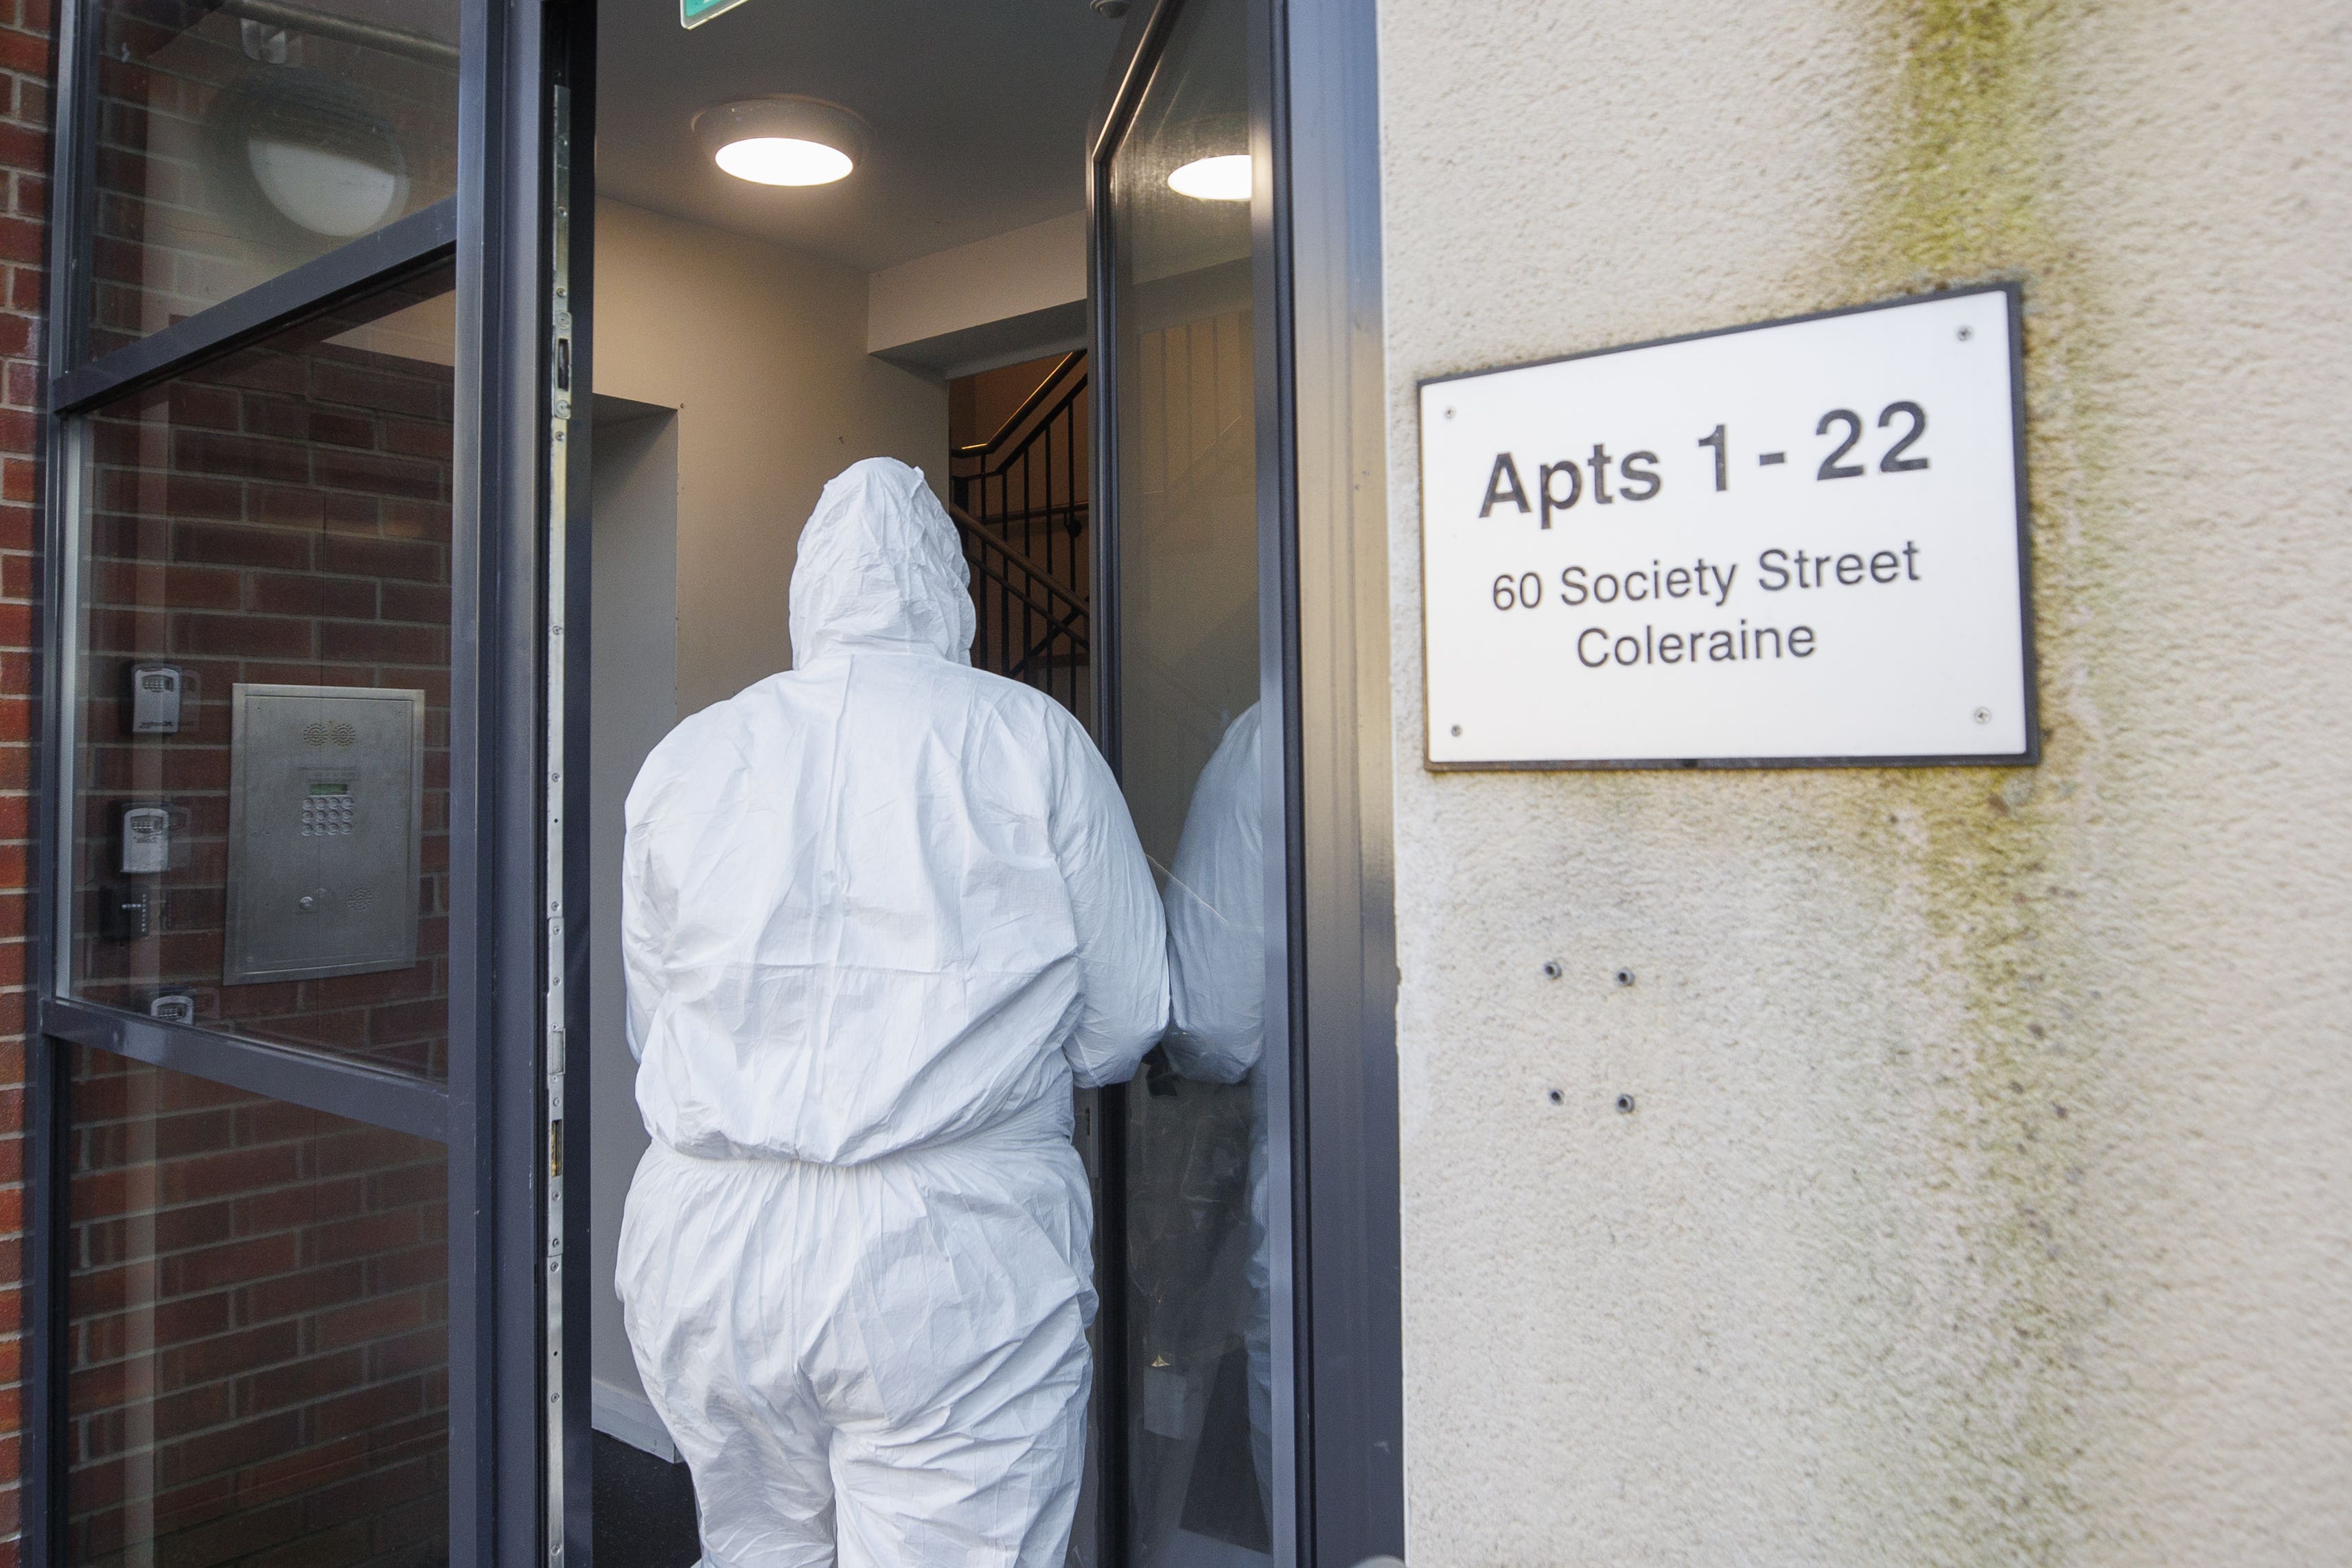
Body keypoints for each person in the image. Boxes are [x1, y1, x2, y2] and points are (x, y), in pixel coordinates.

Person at [615, 457, 1168, 1567]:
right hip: (947, 1249)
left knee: (755, 1551)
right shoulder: (1029, 737)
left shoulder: (690, 756)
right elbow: (1126, 1022)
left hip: (706, 1240)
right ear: (948, 588)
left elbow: (652, 1021)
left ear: (807, 589)